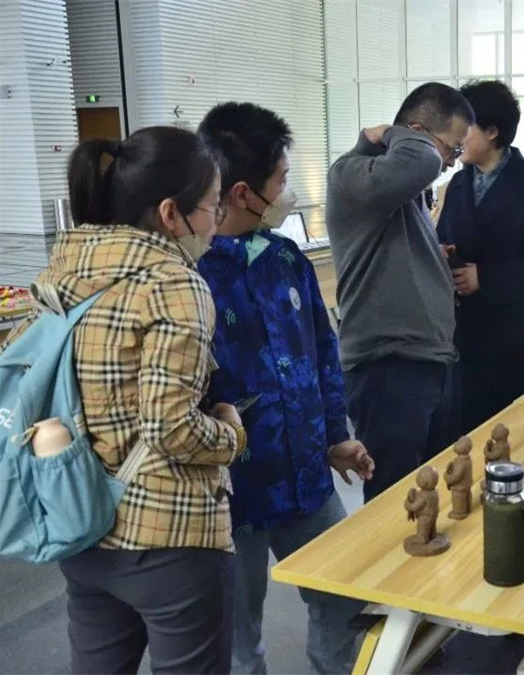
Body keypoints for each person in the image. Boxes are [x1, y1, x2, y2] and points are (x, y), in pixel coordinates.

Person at [0, 127, 244, 673]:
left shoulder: (60, 272)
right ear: (170, 213)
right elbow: (171, 429)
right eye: (212, 205)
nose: (216, 221)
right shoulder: (173, 284)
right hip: (168, 535)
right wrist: (231, 433)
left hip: (78, 519)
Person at [197, 103, 375, 674]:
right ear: (243, 192)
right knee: (236, 632)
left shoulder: (287, 258)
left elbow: (323, 354)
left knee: (344, 595)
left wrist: (335, 437)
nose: (287, 191)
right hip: (233, 494)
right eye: (281, 179)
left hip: (307, 478)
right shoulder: (192, 276)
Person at [327, 82, 474, 501]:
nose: (451, 162)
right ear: (417, 133)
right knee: (396, 503)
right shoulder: (354, 172)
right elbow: (422, 161)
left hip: (426, 361)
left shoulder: (400, 186)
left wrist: (431, 258)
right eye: (452, 148)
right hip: (389, 367)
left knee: (433, 493)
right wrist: (389, 133)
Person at [437, 81, 524, 433]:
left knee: (514, 436)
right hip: (467, 334)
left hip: (515, 339)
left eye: (466, 128)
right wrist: (443, 253)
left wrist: (485, 277)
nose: (457, 137)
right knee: (467, 434)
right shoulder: (458, 185)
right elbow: (445, 236)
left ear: (493, 132)